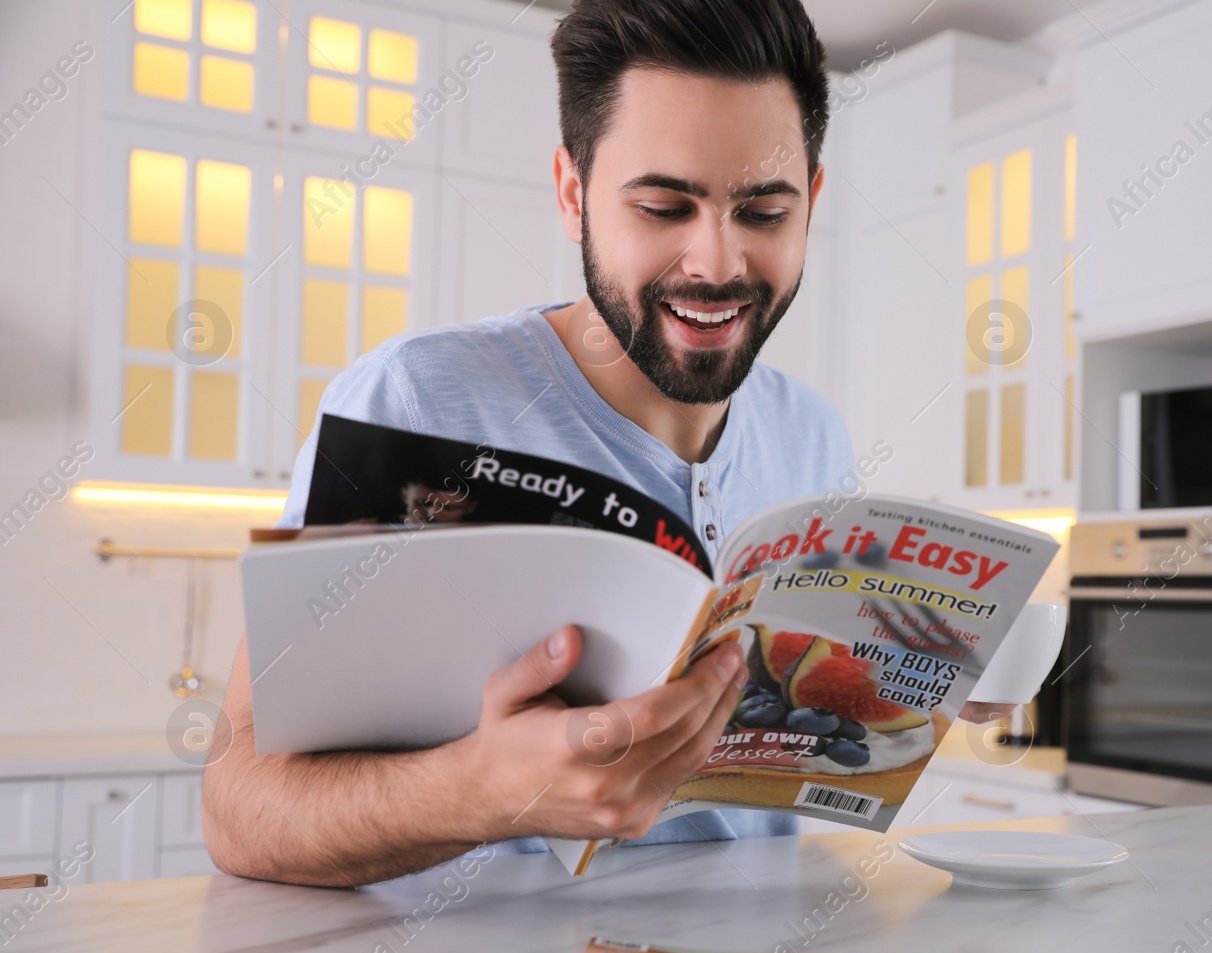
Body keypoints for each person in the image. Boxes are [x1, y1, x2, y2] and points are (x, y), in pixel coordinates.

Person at [203, 0, 1006, 888]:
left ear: (811, 201)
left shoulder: (813, 433)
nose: (716, 263)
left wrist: (923, 681)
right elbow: (239, 808)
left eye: (764, 213)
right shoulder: (416, 399)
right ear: (572, 192)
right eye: (665, 206)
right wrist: (475, 791)